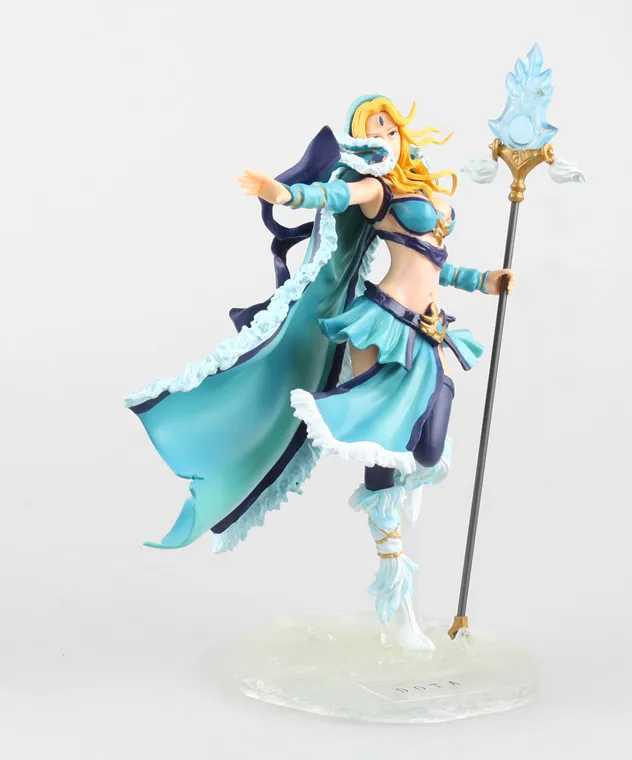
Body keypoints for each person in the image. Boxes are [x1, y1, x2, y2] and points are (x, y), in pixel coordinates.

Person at [126, 95, 516, 651]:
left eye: (387, 126)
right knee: (384, 445)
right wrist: (283, 194)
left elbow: (436, 264)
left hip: (429, 326)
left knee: (428, 450)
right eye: (370, 130)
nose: (381, 136)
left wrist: (485, 282)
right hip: (382, 323)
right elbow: (331, 197)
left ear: (401, 131)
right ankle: (396, 596)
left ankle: (398, 498)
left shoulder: (417, 188)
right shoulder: (374, 189)